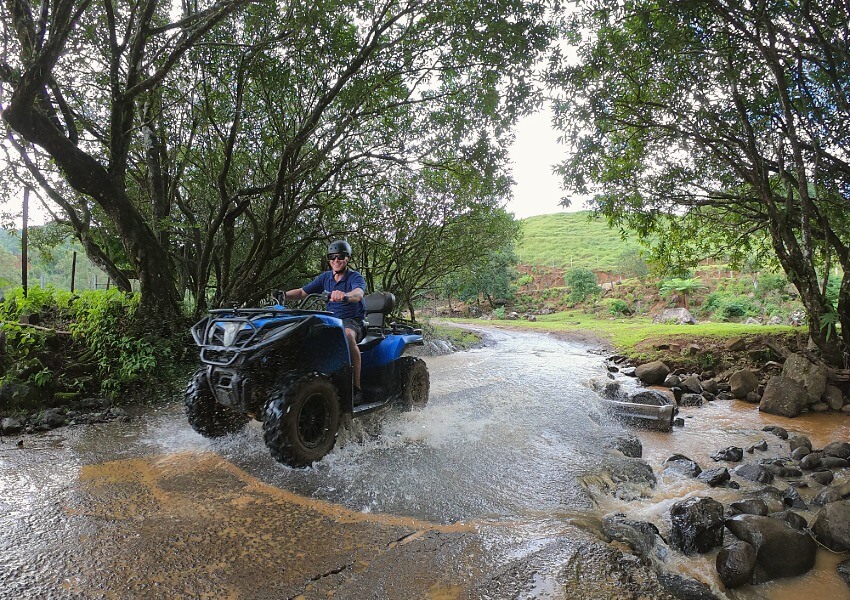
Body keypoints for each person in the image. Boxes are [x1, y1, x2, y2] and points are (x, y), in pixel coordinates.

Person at [282, 240, 367, 402]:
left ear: (347, 258)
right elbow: (301, 292)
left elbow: (358, 294)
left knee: (347, 336)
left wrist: (345, 296)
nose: (336, 260)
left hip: (353, 321)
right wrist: (284, 295)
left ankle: (356, 388)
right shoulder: (325, 278)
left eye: (340, 256)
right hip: (332, 321)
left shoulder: (355, 277)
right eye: (332, 257)